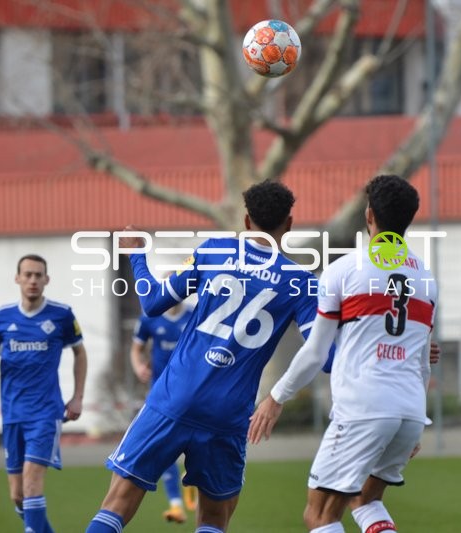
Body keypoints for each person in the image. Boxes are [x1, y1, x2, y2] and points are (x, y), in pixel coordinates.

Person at [86, 180, 325, 533]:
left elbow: (152, 303)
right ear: (289, 224)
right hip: (228, 413)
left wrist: (136, 252)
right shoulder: (301, 281)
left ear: (246, 221)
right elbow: (323, 353)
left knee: (117, 504)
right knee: (214, 518)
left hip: (175, 398)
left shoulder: (214, 250)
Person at [249, 174, 438, 533]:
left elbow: (316, 352)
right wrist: (416, 420)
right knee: (366, 501)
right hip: (409, 411)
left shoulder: (344, 270)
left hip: (364, 410)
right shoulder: (427, 280)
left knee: (319, 516)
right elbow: (421, 362)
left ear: (369, 215)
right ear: (409, 219)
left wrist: (275, 397)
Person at [0, 254, 88, 533]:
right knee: (17, 495)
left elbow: (79, 352)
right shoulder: (3, 317)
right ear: (17, 279)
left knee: (31, 485)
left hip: (45, 413)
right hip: (12, 414)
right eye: (27, 275)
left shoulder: (62, 315)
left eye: (38, 275)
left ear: (47, 280)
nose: (33, 280)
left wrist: (78, 396)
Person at [130, 301, 197, 523]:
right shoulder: (150, 316)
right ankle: (176, 505)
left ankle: (192, 481)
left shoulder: (195, 314)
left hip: (192, 392)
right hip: (161, 394)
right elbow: (136, 349)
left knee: (195, 444)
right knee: (163, 446)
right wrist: (139, 366)